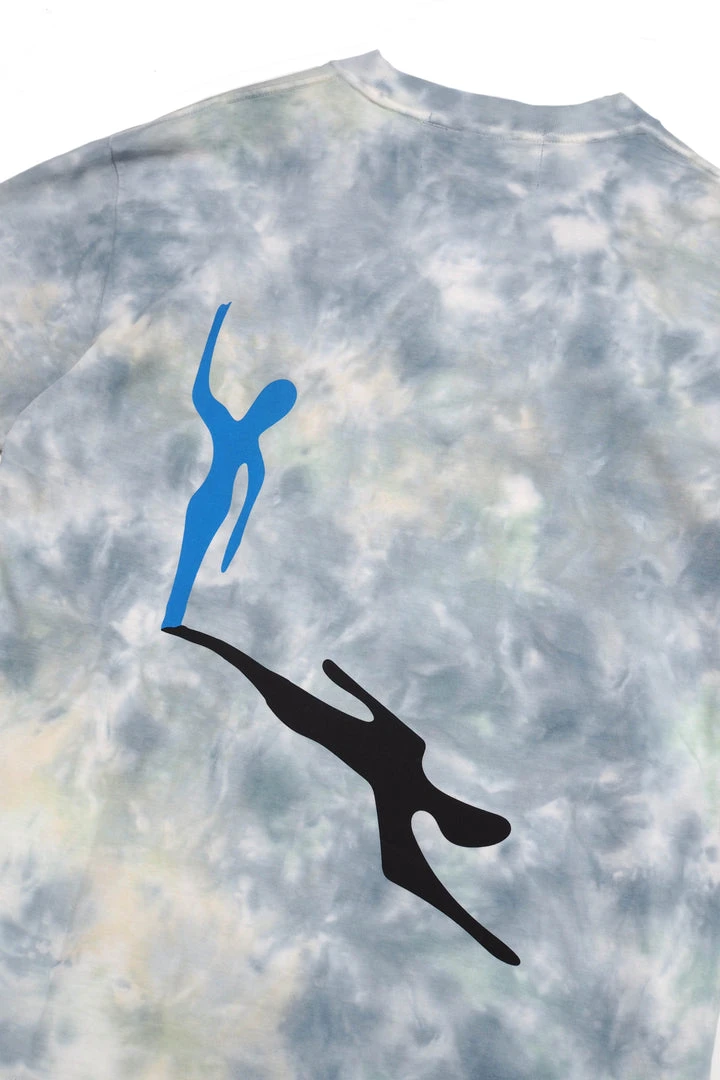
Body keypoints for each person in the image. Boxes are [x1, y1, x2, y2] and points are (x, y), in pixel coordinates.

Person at [162, 302, 297, 628]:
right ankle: (172, 617)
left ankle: (173, 617)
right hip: (210, 504)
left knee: (189, 561)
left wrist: (216, 327)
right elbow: (200, 393)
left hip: (209, 504)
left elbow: (244, 518)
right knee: (189, 561)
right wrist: (215, 328)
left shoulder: (237, 437)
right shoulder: (247, 449)